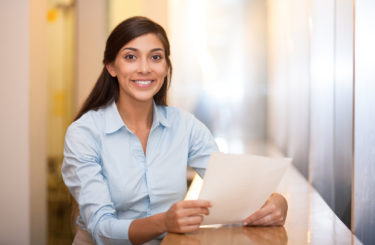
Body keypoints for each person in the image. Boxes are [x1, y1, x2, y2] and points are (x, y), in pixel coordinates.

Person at [62, 16, 288, 245]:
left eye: (155, 57)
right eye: (130, 57)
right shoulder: (84, 134)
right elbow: (102, 229)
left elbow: (233, 186)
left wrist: (276, 201)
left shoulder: (185, 126)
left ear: (166, 66)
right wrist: (163, 222)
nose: (144, 68)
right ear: (111, 66)